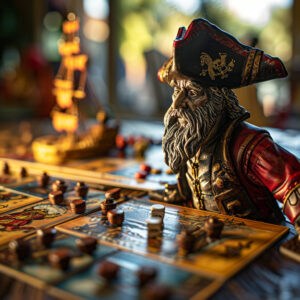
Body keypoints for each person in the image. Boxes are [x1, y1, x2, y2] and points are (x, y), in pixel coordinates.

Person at [157, 18, 300, 233]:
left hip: (255, 245)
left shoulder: (248, 145)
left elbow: (292, 182)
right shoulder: (188, 139)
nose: (177, 104)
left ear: (218, 100)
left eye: (193, 93)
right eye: (177, 90)